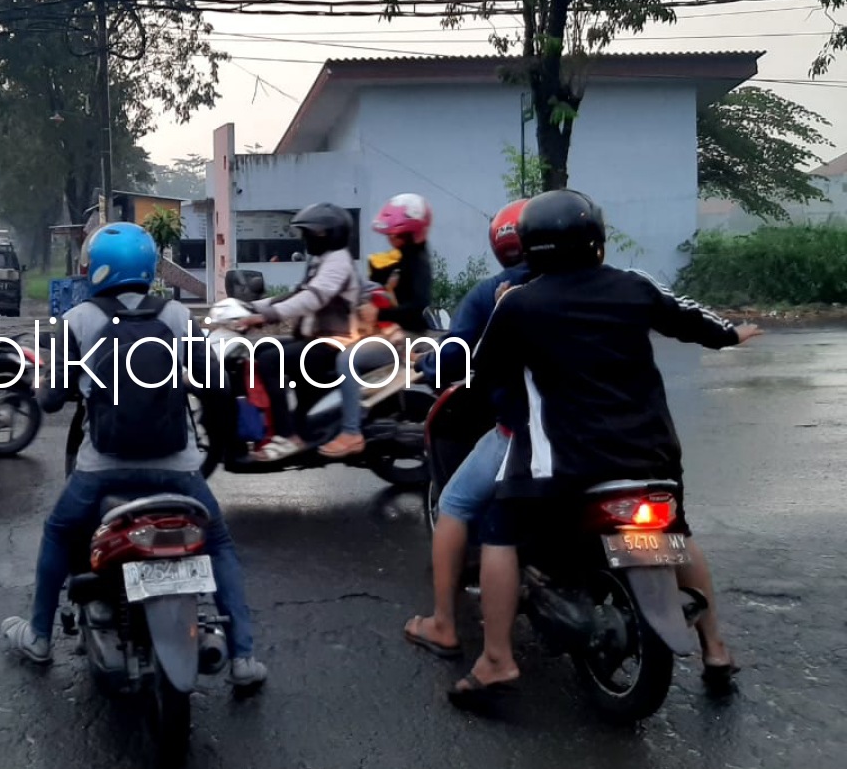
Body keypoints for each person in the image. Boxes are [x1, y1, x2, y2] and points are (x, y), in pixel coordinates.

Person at [448, 189, 762, 707]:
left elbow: (481, 373)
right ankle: (716, 648)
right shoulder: (633, 285)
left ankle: (497, 659)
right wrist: (731, 334)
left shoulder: (518, 303)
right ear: (596, 239)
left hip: (562, 465)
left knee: (499, 531)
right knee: (676, 537)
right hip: (650, 456)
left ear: (529, 248)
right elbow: (689, 318)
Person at [1, 222, 268, 691]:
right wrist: (222, 440)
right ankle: (244, 657)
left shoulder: (78, 320)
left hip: (101, 469)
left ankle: (40, 637)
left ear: (97, 269)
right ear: (148, 268)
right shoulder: (177, 316)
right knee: (220, 542)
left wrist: (47, 385)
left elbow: (52, 400)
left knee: (59, 531)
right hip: (178, 468)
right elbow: (213, 383)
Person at [399, 198, 535, 657]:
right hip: (621, 432)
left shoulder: (499, 294)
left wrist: (429, 366)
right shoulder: (612, 287)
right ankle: (714, 643)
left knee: (458, 504)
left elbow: (455, 356)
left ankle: (448, 627)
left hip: (531, 431)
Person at [234, 202, 362, 461]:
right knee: (260, 349)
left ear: (325, 234)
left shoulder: (338, 262)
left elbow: (311, 299)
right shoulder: (322, 260)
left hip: (334, 342)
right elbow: (295, 294)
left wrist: (266, 316)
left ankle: (287, 436)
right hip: (315, 339)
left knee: (270, 360)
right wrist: (249, 307)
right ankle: (276, 420)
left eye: (308, 233)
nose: (305, 239)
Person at [318, 193, 435, 457]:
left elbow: (416, 308)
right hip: (389, 332)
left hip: (405, 337)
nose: (390, 237)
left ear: (411, 233)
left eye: (396, 233)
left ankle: (351, 432)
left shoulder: (417, 263)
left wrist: (380, 311)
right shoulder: (401, 260)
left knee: (347, 360)